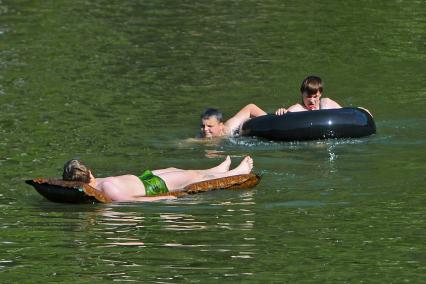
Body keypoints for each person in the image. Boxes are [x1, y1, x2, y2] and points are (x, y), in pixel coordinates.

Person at [62, 156, 254, 202]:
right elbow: (132, 202)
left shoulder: (96, 183)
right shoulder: (107, 188)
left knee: (175, 169)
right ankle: (236, 172)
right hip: (153, 186)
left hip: (145, 178)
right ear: (89, 174)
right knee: (192, 177)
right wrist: (163, 198)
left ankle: (214, 169)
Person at [275, 75, 342, 115]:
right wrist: (282, 111)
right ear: (302, 93)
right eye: (309, 97)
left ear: (320, 94)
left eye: (315, 97)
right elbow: (282, 120)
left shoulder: (326, 103)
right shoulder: (297, 109)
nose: (312, 101)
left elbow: (347, 115)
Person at [200, 104, 267, 138]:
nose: (205, 129)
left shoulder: (231, 127)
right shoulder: (202, 136)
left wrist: (268, 119)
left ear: (220, 125)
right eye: (203, 126)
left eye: (209, 126)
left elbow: (250, 107)